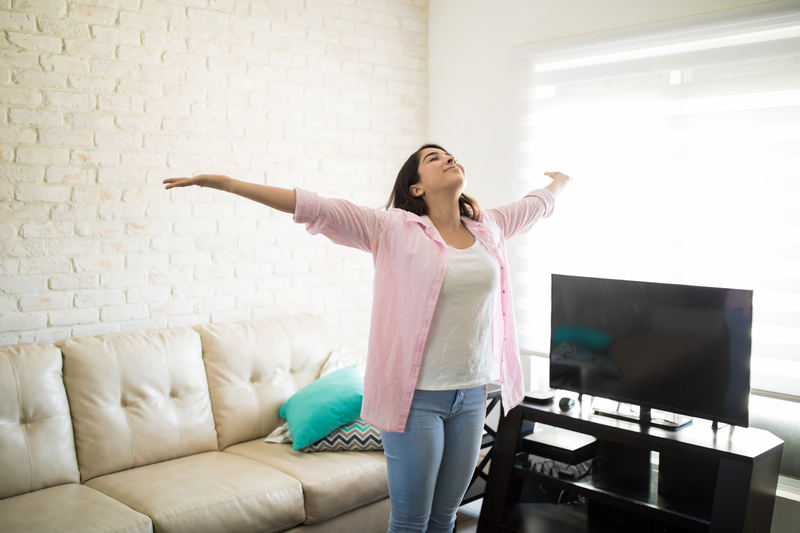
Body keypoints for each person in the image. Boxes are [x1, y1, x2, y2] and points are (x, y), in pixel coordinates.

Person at [164, 144, 570, 533]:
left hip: (471, 396)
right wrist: (225, 183)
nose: (449, 158)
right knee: (411, 523)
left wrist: (560, 181)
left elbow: (537, 205)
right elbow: (313, 205)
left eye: (449, 154)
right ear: (416, 187)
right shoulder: (391, 228)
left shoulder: (490, 229)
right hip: (415, 403)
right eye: (434, 158)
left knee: (445, 519)